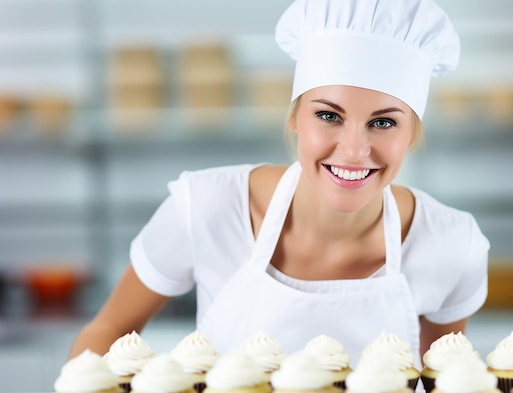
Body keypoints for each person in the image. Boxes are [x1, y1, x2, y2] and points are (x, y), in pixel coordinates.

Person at [69, 0, 489, 364]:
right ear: (294, 117)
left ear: (412, 134)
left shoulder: (451, 244)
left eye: (383, 123)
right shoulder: (207, 207)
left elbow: (446, 387)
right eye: (329, 116)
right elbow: (109, 328)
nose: (353, 150)